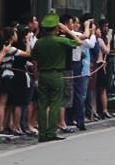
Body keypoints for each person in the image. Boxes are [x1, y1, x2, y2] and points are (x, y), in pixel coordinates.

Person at [30, 10, 81, 142]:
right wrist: (68, 32)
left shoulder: (39, 42)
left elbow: (33, 57)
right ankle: (51, 131)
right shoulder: (60, 41)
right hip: (56, 75)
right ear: (56, 28)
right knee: (55, 104)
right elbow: (78, 42)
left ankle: (42, 133)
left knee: (42, 105)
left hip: (43, 75)